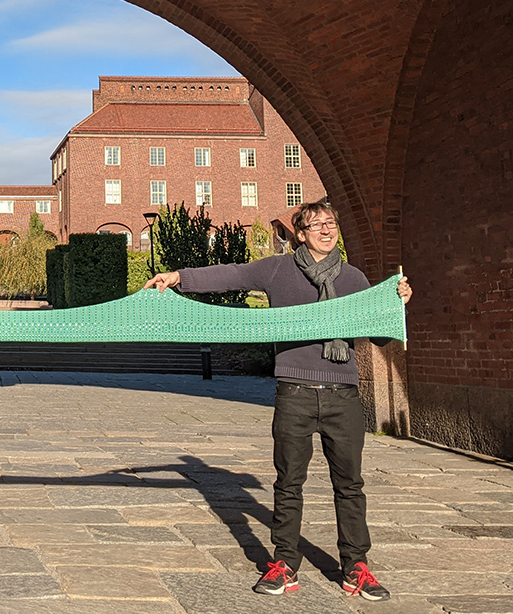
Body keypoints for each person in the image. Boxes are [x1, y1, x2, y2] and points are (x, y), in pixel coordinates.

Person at [145, 198, 412, 602]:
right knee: (289, 483)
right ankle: (284, 564)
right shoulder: (278, 269)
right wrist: (178, 276)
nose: (327, 230)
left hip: (344, 396)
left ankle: (356, 566)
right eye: (317, 225)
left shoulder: (355, 278)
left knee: (350, 485)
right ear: (300, 234)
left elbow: (376, 336)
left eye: (331, 223)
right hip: (295, 393)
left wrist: (394, 304)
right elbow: (230, 274)